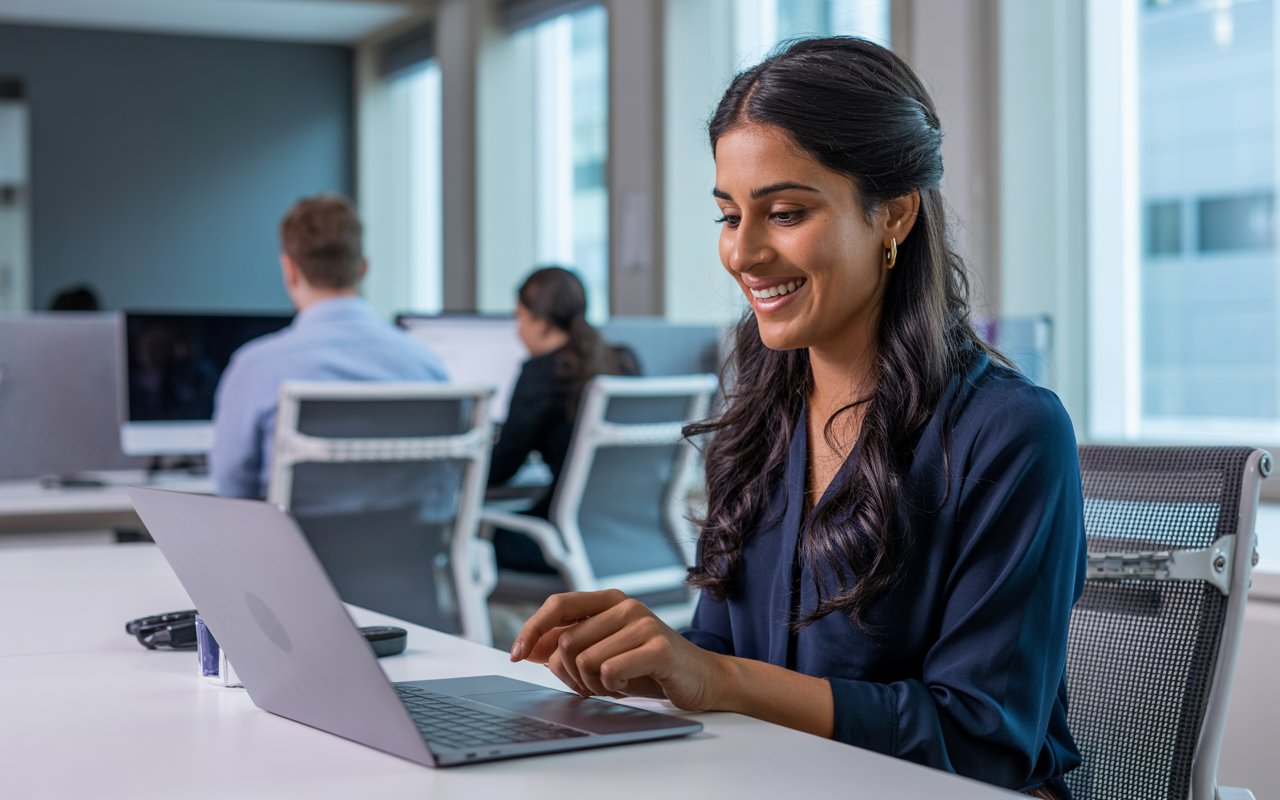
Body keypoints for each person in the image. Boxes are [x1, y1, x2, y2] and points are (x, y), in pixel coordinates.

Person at [508, 37, 1085, 799]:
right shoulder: (762, 416)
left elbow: (982, 741)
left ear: (895, 215)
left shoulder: (1010, 433)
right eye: (727, 215)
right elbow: (720, 652)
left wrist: (719, 679)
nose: (742, 253)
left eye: (784, 212)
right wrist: (642, 659)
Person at [210, 194, 448, 499]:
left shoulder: (254, 369)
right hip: (412, 546)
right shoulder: (427, 366)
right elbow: (443, 481)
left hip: (291, 547)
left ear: (290, 270)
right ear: (362, 268)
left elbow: (233, 491)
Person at [487, 266, 640, 572]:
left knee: (467, 539)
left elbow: (503, 466)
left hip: (561, 542)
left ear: (540, 323)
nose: (517, 332)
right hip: (625, 537)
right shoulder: (624, 361)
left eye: (520, 319)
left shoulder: (541, 373)